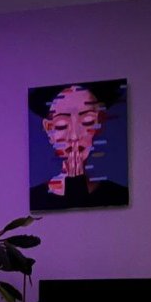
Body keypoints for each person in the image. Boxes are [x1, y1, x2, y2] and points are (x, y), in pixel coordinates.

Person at [29, 81, 129, 211]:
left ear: (99, 123)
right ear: (49, 129)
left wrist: (77, 185)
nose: (74, 136)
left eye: (87, 121)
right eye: (62, 125)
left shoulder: (118, 196)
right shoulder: (35, 199)